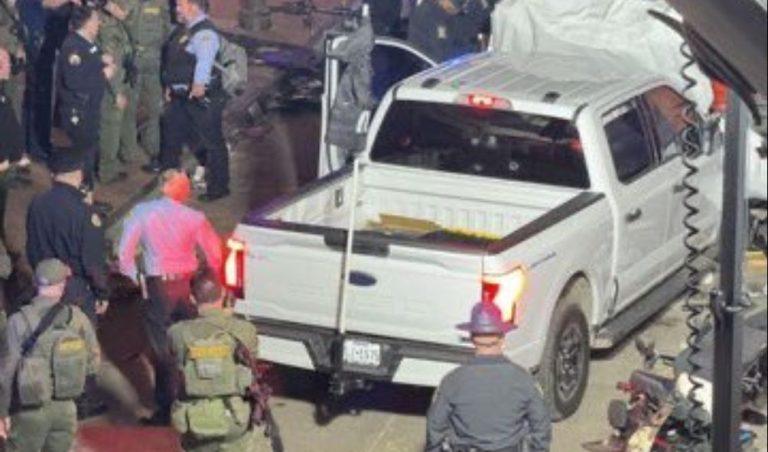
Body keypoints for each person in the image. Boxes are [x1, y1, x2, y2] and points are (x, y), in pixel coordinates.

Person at [118, 169, 222, 423]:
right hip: (187, 287)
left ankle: (165, 411)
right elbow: (214, 256)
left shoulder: (142, 212)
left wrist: (137, 278)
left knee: (163, 351)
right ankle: (193, 400)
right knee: (191, 344)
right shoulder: (195, 217)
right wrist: (207, 282)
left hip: (158, 287)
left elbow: (124, 256)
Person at [0, 259, 101, 451]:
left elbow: (5, 372)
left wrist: (2, 411)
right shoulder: (77, 318)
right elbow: (93, 362)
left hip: (28, 410)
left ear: (36, 284)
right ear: (62, 285)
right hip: (66, 409)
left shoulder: (18, 321)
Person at [426, 302, 552, 452]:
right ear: (503, 338)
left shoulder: (452, 381)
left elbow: (435, 427)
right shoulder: (524, 379)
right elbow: (541, 425)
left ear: (472, 338)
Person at [168, 272, 262, 450]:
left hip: (194, 420)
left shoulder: (177, 333)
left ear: (192, 299)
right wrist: (228, 318)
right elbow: (252, 362)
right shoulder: (245, 330)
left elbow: (178, 362)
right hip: (235, 419)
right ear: (224, 294)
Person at [26, 149, 110, 323]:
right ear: (80, 174)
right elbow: (92, 262)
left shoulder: (37, 203)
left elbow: (32, 247)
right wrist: (102, 293)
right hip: (74, 289)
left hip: (44, 281)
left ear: (52, 174)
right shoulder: (85, 213)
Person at [160, 0, 230, 202]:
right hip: (180, 95)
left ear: (193, 6)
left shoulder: (205, 33)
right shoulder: (183, 30)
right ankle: (170, 177)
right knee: (171, 135)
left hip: (199, 97)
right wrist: (169, 86)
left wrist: (198, 86)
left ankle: (219, 186)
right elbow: (173, 60)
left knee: (211, 142)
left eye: (180, 5)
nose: (176, 9)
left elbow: (204, 62)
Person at [56, 5, 117, 194]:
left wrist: (101, 59)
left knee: (89, 153)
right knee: (82, 157)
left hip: (89, 109)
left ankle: (87, 196)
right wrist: (103, 75)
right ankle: (82, 198)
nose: (100, 23)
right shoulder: (73, 47)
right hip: (79, 112)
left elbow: (91, 59)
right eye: (96, 20)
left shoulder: (86, 43)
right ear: (88, 24)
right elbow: (74, 81)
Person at [127, 0, 171, 174]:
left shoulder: (161, 3)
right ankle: (128, 151)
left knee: (155, 108)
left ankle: (154, 150)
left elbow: (167, 29)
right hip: (132, 59)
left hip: (153, 61)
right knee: (128, 107)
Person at [97, 0, 136, 185]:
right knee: (110, 129)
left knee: (116, 127)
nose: (125, 11)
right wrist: (117, 92)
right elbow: (110, 63)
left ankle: (112, 165)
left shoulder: (118, 24)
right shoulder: (107, 27)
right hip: (112, 85)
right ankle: (106, 172)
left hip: (123, 79)